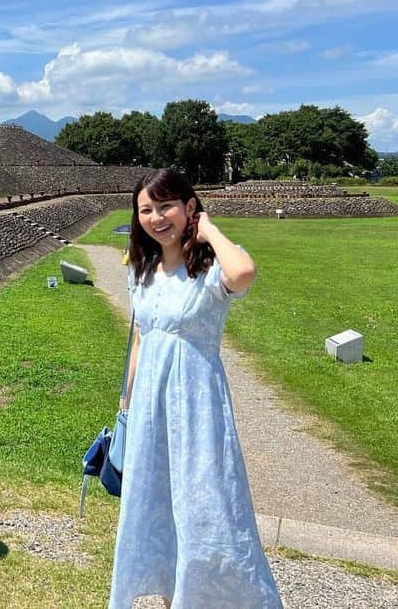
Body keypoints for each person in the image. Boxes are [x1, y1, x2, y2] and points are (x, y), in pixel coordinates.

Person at [108, 168, 282, 609]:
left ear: (189, 207)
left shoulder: (208, 271)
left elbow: (244, 272)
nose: (155, 217)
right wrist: (127, 404)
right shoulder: (142, 271)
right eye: (145, 209)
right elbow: (142, 339)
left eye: (166, 205)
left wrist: (208, 230)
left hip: (199, 405)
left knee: (209, 507)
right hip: (150, 406)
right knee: (155, 502)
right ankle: (170, 596)